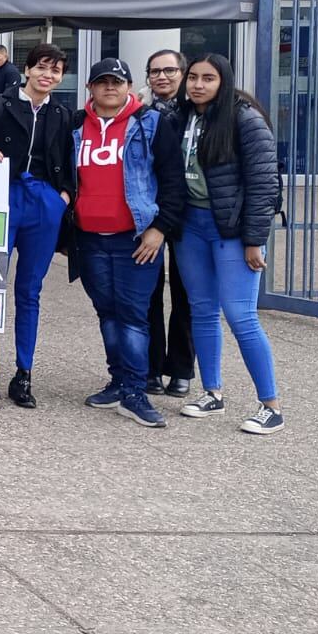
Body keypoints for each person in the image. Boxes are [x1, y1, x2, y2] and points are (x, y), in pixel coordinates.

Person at [69, 58, 187, 429]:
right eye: (102, 82)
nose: (109, 88)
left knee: (134, 318)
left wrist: (159, 229)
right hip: (89, 239)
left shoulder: (151, 124)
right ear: (90, 88)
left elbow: (172, 183)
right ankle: (118, 380)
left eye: (117, 82)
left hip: (135, 239)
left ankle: (135, 391)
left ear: (129, 86)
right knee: (108, 313)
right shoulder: (75, 125)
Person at [174, 53, 285, 434]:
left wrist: (255, 240)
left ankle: (270, 406)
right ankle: (212, 393)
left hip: (233, 231)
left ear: (224, 81)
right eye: (193, 77)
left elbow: (264, 184)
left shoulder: (244, 119)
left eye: (208, 78)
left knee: (241, 315)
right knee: (202, 310)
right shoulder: (184, 116)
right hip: (192, 227)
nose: (198, 85)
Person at [0, 44, 74, 409]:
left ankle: (23, 372)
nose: (48, 75)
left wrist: (63, 197)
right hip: (2, 195)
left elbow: (67, 162)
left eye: (56, 70)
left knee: (30, 290)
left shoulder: (60, 112)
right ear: (27, 69)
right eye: (43, 67)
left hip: (43, 200)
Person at [142, 48, 196, 397]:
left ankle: (180, 368)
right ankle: (149, 368)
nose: (162, 77)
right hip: (148, 213)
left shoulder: (197, 113)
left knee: (185, 293)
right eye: (155, 71)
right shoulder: (142, 115)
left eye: (169, 70)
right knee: (148, 294)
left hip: (189, 214)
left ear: (183, 73)